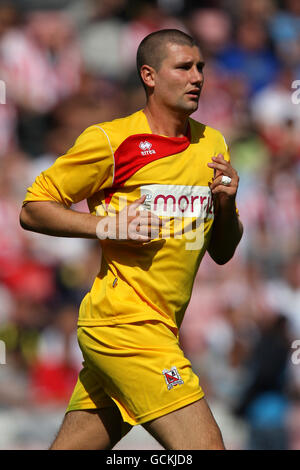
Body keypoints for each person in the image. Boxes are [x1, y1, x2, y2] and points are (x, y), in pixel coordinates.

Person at [19, 29, 243, 450]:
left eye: (201, 68)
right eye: (184, 67)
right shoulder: (111, 140)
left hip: (161, 325)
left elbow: (224, 252)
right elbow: (33, 207)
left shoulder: (213, 143)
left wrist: (227, 207)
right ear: (150, 76)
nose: (197, 77)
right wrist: (106, 225)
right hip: (125, 325)